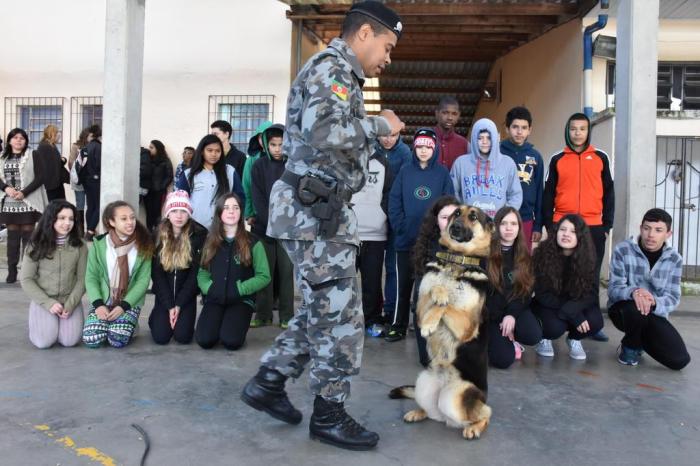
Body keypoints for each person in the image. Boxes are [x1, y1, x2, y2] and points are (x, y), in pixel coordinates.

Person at [240, 1, 404, 451]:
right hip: (314, 211)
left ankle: (270, 380)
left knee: (323, 307)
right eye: (387, 47)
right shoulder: (331, 68)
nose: (387, 59)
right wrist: (378, 125)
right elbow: (322, 130)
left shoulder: (341, 74)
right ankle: (329, 414)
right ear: (365, 34)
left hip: (318, 210)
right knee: (342, 316)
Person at [542, 112, 614, 342]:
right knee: (558, 272)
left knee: (590, 275)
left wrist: (607, 225)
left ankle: (589, 319)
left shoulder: (601, 158)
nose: (577, 133)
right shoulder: (558, 158)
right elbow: (548, 193)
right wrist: (549, 225)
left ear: (588, 131)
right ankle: (560, 314)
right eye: (573, 128)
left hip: (593, 226)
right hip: (562, 224)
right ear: (567, 130)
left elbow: (609, 192)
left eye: (582, 129)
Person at [386, 128, 454, 342]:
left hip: (432, 244)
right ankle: (397, 325)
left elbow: (449, 205)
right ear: (414, 148)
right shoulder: (405, 171)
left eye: (428, 147)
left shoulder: (443, 174)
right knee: (402, 286)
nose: (423, 151)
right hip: (405, 241)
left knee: (428, 287)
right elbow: (394, 202)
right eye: (420, 147)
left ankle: (424, 326)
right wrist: (401, 226)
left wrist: (439, 232)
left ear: (433, 149)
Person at [608, 208, 690, 370]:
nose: (651, 235)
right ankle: (630, 348)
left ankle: (639, 341)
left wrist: (653, 302)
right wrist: (634, 292)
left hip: (654, 313)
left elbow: (673, 297)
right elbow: (614, 289)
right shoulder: (623, 250)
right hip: (624, 310)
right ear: (641, 228)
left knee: (679, 360)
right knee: (636, 310)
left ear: (668, 234)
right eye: (647, 228)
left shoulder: (674, 259)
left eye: (658, 230)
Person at [195, 194, 270, 349]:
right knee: (205, 340)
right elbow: (202, 272)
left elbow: (264, 276)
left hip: (240, 300)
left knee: (231, 341)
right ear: (219, 213)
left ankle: (232, 324)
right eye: (226, 208)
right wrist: (209, 288)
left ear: (241, 213)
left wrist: (240, 289)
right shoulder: (210, 242)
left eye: (235, 208)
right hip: (215, 298)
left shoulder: (254, 242)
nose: (231, 212)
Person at [82, 201, 154, 348]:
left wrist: (124, 306)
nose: (130, 222)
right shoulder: (99, 244)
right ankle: (111, 322)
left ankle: (129, 323)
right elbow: (91, 277)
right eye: (124, 219)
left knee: (117, 339)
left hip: (128, 302)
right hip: (104, 301)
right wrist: (98, 305)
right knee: (92, 339)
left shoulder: (144, 244)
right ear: (111, 222)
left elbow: (143, 280)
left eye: (132, 218)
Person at [532, 214, 604, 360]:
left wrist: (572, 310)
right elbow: (541, 294)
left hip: (573, 304)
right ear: (556, 232)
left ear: (581, 236)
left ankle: (574, 339)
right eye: (563, 229)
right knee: (554, 327)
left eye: (573, 231)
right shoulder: (542, 254)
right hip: (548, 305)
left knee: (595, 321)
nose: (566, 234)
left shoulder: (589, 257)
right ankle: (544, 338)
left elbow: (591, 293)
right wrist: (574, 314)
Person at [20, 200, 87, 348]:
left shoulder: (80, 246)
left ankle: (58, 322)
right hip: (44, 300)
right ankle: (41, 320)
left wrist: (70, 305)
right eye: (62, 218)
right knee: (43, 342)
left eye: (71, 219)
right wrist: (48, 303)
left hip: (69, 300)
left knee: (69, 341)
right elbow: (26, 279)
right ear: (51, 219)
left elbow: (82, 279)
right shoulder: (35, 245)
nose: (67, 223)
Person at [485, 207, 543, 368]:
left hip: (513, 310)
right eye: (504, 223)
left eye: (513, 224)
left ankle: (511, 336)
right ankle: (495, 338)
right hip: (491, 315)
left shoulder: (524, 257)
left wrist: (511, 315)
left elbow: (526, 292)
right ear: (496, 227)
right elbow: (484, 295)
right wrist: (501, 319)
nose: (509, 228)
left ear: (519, 227)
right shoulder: (485, 255)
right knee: (503, 360)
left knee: (533, 335)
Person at [250, 124, 294, 329]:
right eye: (273, 144)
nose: (278, 149)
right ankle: (263, 314)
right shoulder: (258, 165)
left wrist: (286, 223)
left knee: (286, 274)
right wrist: (268, 222)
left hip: (288, 231)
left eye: (282, 144)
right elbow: (257, 196)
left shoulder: (293, 165)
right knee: (264, 273)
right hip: (263, 229)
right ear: (266, 145)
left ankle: (287, 315)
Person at [149, 191, 207, 345]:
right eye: (174, 211)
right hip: (164, 295)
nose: (179, 215)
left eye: (183, 211)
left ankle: (177, 315)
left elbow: (196, 274)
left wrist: (179, 304)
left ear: (189, 213)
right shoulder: (157, 234)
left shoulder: (200, 234)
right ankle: (156, 316)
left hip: (186, 296)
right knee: (161, 338)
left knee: (183, 337)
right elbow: (157, 274)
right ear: (168, 213)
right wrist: (169, 305)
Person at [410, 195, 460, 366]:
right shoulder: (426, 246)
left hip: (457, 312)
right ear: (436, 220)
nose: (450, 222)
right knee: (430, 361)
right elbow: (421, 296)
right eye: (444, 218)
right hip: (431, 310)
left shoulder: (470, 245)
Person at [352, 137, 394, 337]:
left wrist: (381, 216)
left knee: (372, 281)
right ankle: (346, 320)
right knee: (346, 281)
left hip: (375, 234)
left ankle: (372, 320)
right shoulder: (344, 160)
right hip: (348, 234)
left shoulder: (383, 163)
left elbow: (389, 195)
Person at [0, 128, 48, 283]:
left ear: (26, 140)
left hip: (28, 201)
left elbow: (41, 177)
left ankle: (27, 272)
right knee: (12, 238)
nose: (18, 140)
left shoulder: (33, 155)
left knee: (28, 238)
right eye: (15, 137)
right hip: (9, 202)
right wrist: (6, 188)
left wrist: (24, 192)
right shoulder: (2, 157)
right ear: (9, 140)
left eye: (22, 138)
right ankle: (12, 271)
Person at [373, 130, 411, 326]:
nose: (388, 139)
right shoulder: (370, 150)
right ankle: (372, 310)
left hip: (394, 217)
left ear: (399, 135)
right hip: (372, 218)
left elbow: (402, 188)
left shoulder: (405, 154)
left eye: (393, 135)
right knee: (372, 268)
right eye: (384, 134)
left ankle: (390, 310)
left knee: (392, 267)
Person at [450, 118, 522, 219]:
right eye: (480, 138)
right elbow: (452, 192)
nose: (484, 142)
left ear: (496, 138)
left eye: (489, 138)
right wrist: (462, 214)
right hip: (469, 224)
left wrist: (504, 216)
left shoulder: (507, 163)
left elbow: (516, 195)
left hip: (496, 224)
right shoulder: (461, 163)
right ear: (474, 139)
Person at [175, 134, 245, 230]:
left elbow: (240, 197)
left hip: (223, 227)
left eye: (218, 151)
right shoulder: (189, 174)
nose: (214, 154)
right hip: (196, 228)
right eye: (210, 150)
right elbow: (180, 201)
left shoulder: (229, 171)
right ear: (202, 152)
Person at [500, 107, 544, 250]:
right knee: (499, 260)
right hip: (501, 217)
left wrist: (538, 225)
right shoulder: (497, 152)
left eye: (524, 128)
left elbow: (539, 192)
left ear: (530, 130)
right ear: (507, 128)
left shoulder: (535, 156)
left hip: (525, 218)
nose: (519, 132)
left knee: (522, 261)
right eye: (515, 127)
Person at [241, 121, 273, 225]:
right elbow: (246, 186)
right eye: (260, 137)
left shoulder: (283, 159)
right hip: (257, 214)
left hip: (278, 213)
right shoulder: (251, 160)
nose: (263, 140)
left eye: (266, 136)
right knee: (258, 241)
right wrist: (249, 213)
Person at [143, 139, 174, 231]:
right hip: (148, 190)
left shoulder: (165, 161)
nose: (149, 149)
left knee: (157, 213)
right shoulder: (148, 159)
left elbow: (169, 176)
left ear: (158, 149)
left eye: (152, 147)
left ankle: (157, 233)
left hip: (159, 192)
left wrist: (162, 186)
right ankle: (149, 233)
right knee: (149, 213)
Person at [434, 96, 468, 171]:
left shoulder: (464, 144)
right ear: (437, 114)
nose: (450, 117)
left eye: (454, 114)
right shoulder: (426, 138)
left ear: (459, 115)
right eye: (445, 113)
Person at [80, 124, 102, 241]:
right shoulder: (98, 147)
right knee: (98, 206)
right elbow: (99, 164)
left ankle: (89, 231)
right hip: (96, 180)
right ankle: (90, 231)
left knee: (90, 206)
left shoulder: (87, 146)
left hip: (86, 180)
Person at [36, 125, 68, 201]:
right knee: (55, 206)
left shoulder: (50, 145)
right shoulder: (45, 146)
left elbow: (53, 162)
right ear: (52, 134)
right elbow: (49, 165)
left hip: (55, 182)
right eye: (57, 133)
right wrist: (63, 160)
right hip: (51, 184)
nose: (59, 135)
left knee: (59, 205)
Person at [68, 128, 90, 234]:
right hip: (79, 181)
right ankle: (80, 229)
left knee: (90, 205)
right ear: (85, 136)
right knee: (80, 204)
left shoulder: (94, 146)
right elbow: (71, 162)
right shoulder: (76, 146)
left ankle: (90, 229)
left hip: (90, 181)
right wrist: (78, 175)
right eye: (90, 136)